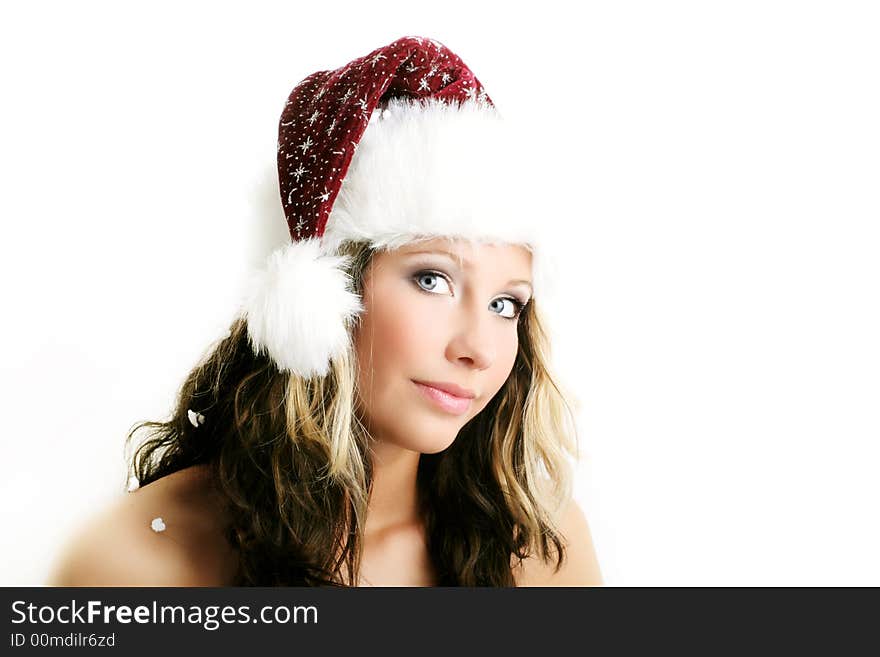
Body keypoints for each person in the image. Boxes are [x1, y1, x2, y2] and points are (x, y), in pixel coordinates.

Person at [47, 36, 602, 587]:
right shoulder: (140, 563)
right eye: (432, 280)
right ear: (323, 291)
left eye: (506, 304)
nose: (478, 348)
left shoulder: (542, 552)